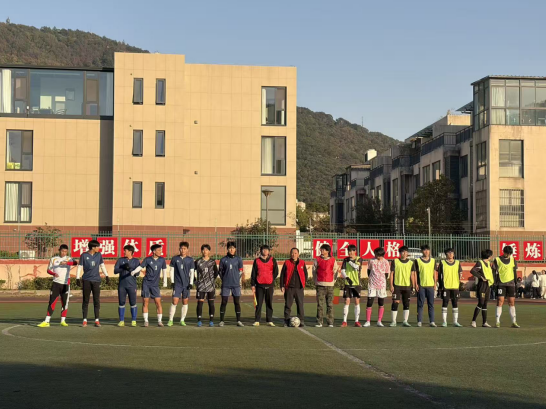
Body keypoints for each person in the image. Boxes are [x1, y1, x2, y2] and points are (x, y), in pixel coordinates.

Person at [37, 244, 77, 327]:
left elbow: (75, 263)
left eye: (65, 251)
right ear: (59, 250)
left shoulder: (68, 258)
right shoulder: (53, 259)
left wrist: (67, 263)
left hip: (65, 284)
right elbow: (48, 270)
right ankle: (47, 321)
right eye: (62, 251)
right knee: (52, 301)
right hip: (56, 283)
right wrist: (54, 274)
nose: (64, 253)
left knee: (64, 302)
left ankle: (63, 320)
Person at [130, 244, 168, 327]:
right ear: (154, 251)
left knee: (158, 302)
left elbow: (164, 271)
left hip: (155, 285)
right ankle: (146, 321)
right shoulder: (147, 259)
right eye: (159, 250)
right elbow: (140, 267)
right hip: (146, 283)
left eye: (161, 250)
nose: (160, 252)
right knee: (145, 302)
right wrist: (134, 271)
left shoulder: (162, 260)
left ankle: (159, 321)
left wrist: (165, 282)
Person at [76, 240, 109, 327]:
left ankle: (97, 320)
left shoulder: (99, 255)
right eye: (97, 246)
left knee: (96, 300)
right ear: (93, 247)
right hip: (86, 280)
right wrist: (77, 278)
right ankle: (84, 320)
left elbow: (102, 265)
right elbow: (80, 267)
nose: (99, 248)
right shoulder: (84, 255)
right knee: (86, 300)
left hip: (96, 280)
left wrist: (107, 275)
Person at [167, 241, 195, 327]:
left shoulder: (190, 260)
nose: (183, 250)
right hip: (177, 284)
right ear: (179, 249)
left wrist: (191, 283)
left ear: (187, 250)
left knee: (185, 301)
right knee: (174, 301)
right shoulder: (175, 259)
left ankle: (182, 320)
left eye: (184, 249)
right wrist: (172, 281)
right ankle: (170, 320)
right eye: (181, 248)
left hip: (186, 284)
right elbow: (171, 270)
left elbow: (192, 272)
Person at [251, 245, 279, 327]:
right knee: (258, 304)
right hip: (259, 285)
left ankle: (269, 320)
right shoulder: (257, 261)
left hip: (269, 285)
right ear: (261, 251)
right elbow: (253, 273)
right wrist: (253, 284)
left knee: (269, 303)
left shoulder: (273, 260)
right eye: (263, 250)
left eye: (266, 250)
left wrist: (271, 278)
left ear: (269, 251)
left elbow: (276, 271)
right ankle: (257, 320)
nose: (265, 251)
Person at [113, 244, 141, 327]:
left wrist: (130, 269)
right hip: (122, 285)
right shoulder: (120, 260)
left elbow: (138, 273)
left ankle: (133, 320)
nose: (124, 252)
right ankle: (121, 320)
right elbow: (115, 271)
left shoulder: (136, 261)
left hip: (132, 285)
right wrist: (123, 268)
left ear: (130, 252)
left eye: (125, 251)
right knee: (121, 302)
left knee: (133, 302)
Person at [313, 243, 339, 328]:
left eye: (323, 249)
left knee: (330, 304)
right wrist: (315, 281)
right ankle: (319, 322)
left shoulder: (332, 260)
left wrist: (333, 281)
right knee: (320, 304)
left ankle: (330, 322)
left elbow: (336, 271)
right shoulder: (317, 259)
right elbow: (314, 271)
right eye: (321, 249)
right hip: (320, 285)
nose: (321, 251)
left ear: (328, 251)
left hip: (330, 285)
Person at [492, 246, 520, 328]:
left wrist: (516, 283)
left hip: (511, 284)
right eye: (507, 253)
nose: (508, 255)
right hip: (501, 283)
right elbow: (494, 272)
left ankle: (514, 322)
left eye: (510, 254)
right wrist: (494, 283)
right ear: (503, 252)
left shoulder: (513, 259)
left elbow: (514, 272)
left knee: (511, 302)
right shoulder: (497, 259)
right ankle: (497, 321)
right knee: (500, 301)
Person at [389, 246, 416, 327]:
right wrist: (391, 285)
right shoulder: (395, 261)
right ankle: (393, 321)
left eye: (406, 252)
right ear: (400, 253)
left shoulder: (411, 263)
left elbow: (412, 275)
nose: (404, 253)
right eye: (402, 252)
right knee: (395, 303)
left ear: (407, 253)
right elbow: (392, 274)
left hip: (407, 286)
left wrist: (413, 286)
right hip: (397, 285)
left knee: (406, 303)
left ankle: (405, 321)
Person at [219, 241, 244, 327]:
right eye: (230, 248)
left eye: (233, 248)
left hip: (235, 285)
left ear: (235, 249)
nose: (231, 250)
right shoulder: (223, 260)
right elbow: (220, 272)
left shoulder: (239, 259)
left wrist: (237, 279)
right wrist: (224, 279)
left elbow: (241, 271)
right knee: (224, 302)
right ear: (227, 249)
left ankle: (238, 321)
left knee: (237, 302)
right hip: (226, 285)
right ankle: (221, 321)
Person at [193, 244, 219, 327]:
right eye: (203, 250)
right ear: (201, 251)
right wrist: (194, 281)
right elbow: (192, 271)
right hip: (201, 286)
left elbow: (216, 272)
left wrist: (212, 280)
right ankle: (199, 320)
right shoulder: (198, 262)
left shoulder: (212, 262)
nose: (205, 251)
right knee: (200, 303)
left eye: (207, 250)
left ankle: (211, 320)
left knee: (211, 303)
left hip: (210, 286)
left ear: (209, 251)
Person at [280, 248, 307, 327]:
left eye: (295, 253)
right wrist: (282, 285)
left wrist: (303, 284)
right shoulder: (287, 262)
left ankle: (301, 320)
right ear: (290, 254)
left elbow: (305, 274)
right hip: (289, 288)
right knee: (288, 305)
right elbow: (282, 275)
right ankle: (286, 321)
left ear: (298, 254)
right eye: (292, 253)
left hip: (299, 288)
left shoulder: (302, 263)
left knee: (300, 305)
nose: (293, 255)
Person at [364, 247, 390, 327]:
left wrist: (382, 280)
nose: (377, 256)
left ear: (382, 255)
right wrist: (371, 278)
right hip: (372, 284)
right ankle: (368, 321)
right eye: (376, 255)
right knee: (369, 302)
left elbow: (386, 273)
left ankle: (379, 321)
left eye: (378, 255)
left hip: (381, 285)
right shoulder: (371, 261)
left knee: (381, 303)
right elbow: (368, 270)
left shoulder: (386, 262)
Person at [438, 248, 463, 327]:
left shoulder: (457, 262)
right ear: (446, 254)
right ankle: (444, 322)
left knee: (455, 303)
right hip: (446, 286)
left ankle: (455, 321)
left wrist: (459, 284)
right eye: (449, 253)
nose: (451, 254)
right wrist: (440, 286)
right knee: (445, 303)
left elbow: (460, 273)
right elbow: (439, 275)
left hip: (455, 287)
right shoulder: (442, 263)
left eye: (452, 253)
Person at [414, 244, 437, 328]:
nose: (426, 251)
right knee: (420, 304)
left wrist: (435, 283)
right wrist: (416, 284)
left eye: (427, 250)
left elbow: (434, 272)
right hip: (421, 285)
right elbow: (415, 273)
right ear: (421, 251)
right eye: (424, 250)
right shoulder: (417, 261)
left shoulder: (433, 261)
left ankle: (432, 321)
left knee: (431, 304)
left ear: (429, 251)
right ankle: (419, 321)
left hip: (430, 285)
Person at [340, 244, 363, 327]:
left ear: (355, 251)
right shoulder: (345, 259)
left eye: (352, 251)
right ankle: (344, 321)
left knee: (357, 301)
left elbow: (356, 267)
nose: (350, 253)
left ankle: (356, 321)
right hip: (348, 283)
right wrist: (347, 277)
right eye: (349, 251)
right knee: (347, 301)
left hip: (356, 283)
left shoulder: (359, 259)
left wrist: (349, 261)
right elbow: (342, 270)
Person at [470, 249, 494, 328]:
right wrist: (481, 277)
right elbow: (472, 271)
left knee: (485, 304)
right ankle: (473, 321)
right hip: (482, 285)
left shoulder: (489, 263)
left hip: (488, 285)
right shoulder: (480, 263)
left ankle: (484, 322)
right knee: (481, 302)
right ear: (489, 256)